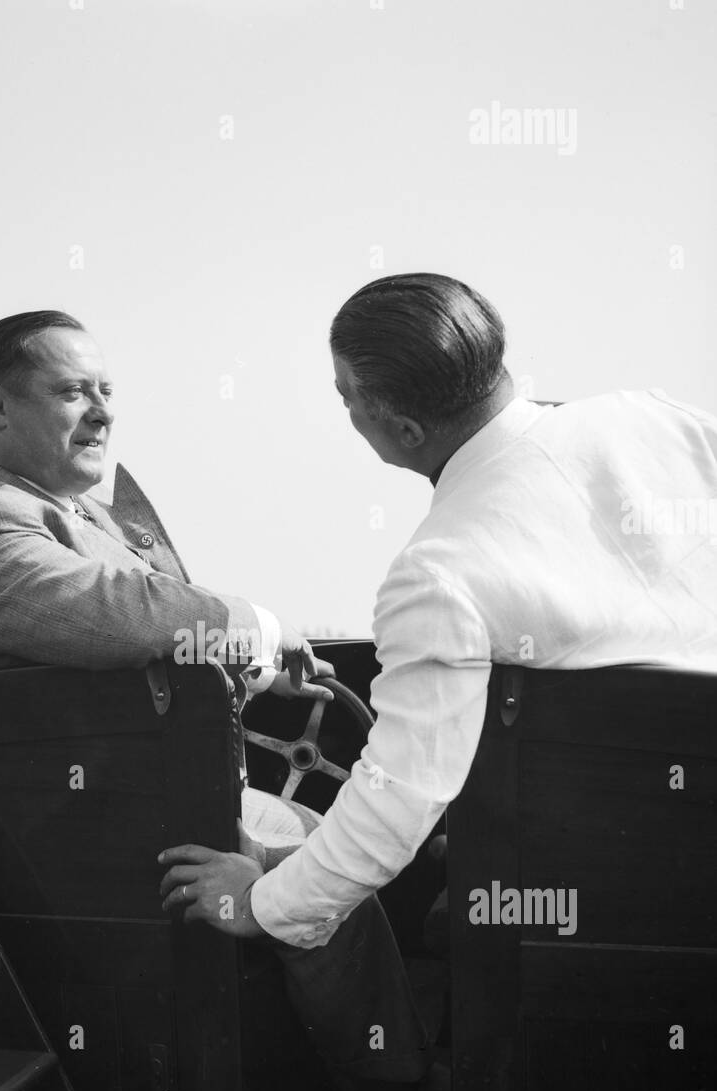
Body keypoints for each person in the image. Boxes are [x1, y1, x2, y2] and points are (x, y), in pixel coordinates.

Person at [0, 310, 444, 1091]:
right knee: (322, 863)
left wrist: (256, 672)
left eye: (107, 390)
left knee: (359, 836)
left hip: (113, 798)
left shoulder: (61, 512)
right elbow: (118, 611)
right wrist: (255, 627)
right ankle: (381, 1081)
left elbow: (128, 645)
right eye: (71, 391)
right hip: (68, 833)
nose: (102, 409)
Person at [158, 271, 717, 945]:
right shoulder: (659, 417)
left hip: (595, 896)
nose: (350, 418)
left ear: (401, 429)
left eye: (345, 400)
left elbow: (400, 794)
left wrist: (258, 904)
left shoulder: (437, 572)